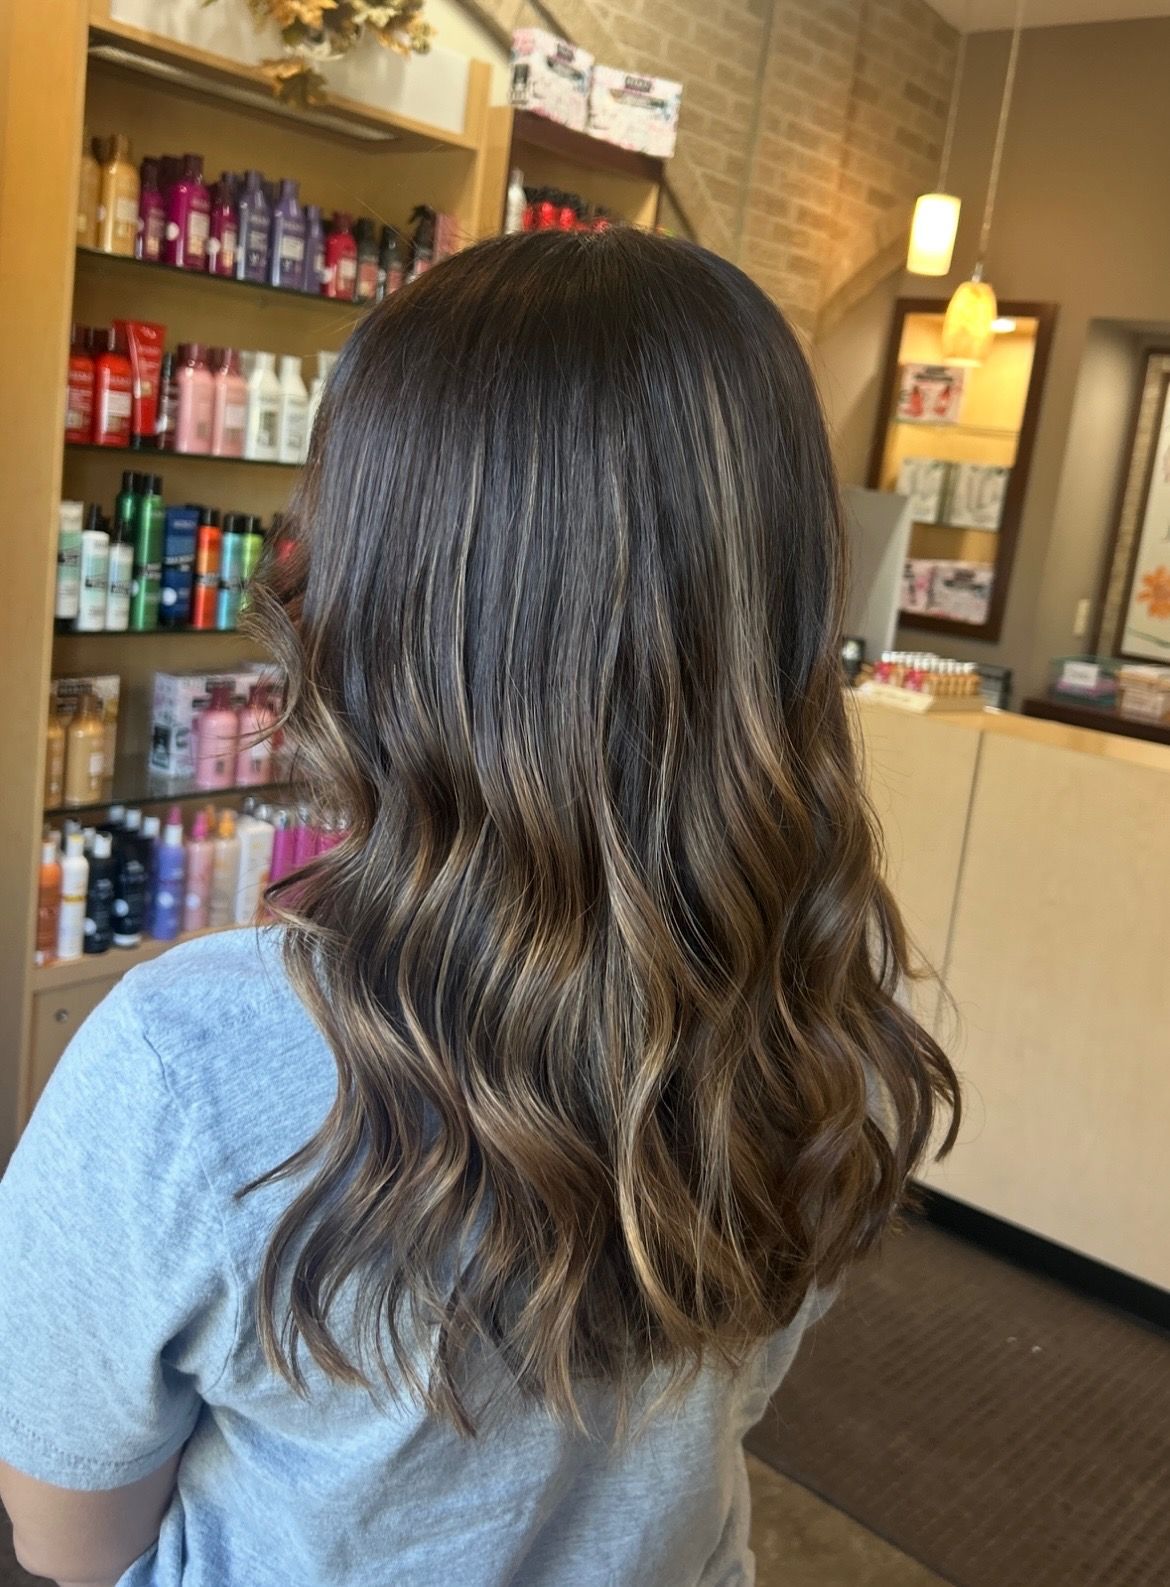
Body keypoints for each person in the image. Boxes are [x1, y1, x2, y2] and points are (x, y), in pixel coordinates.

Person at [0, 229, 958, 1586]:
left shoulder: (185, 1070)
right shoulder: (823, 993)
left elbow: (68, 1537)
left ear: (369, 582)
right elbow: (730, 1399)